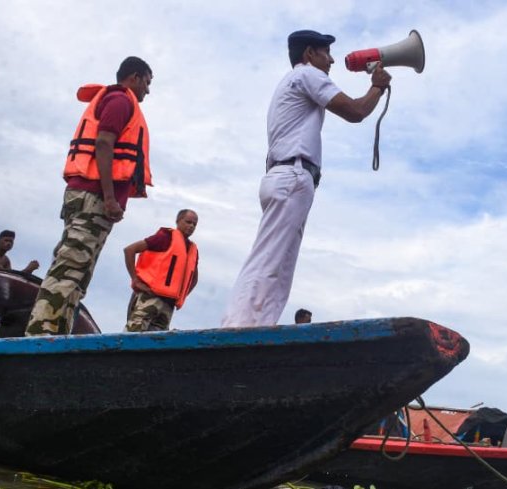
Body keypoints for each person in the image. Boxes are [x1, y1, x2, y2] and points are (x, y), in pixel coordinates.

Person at [221, 30, 392, 327]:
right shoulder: (307, 75)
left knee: (281, 264)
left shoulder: (291, 82)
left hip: (289, 176)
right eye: (326, 53)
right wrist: (376, 88)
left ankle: (259, 328)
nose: (332, 60)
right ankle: (237, 328)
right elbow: (355, 112)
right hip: (292, 174)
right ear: (309, 54)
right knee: (270, 259)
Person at [25, 56, 154, 336]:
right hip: (93, 196)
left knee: (78, 273)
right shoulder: (121, 101)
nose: (147, 89)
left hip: (92, 198)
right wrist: (109, 197)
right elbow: (104, 142)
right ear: (134, 77)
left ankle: (57, 333)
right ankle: (39, 333)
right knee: (70, 267)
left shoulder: (119, 100)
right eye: (147, 82)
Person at [123, 209, 200, 332]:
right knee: (133, 333)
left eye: (194, 224)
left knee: (157, 340)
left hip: (169, 304)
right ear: (178, 221)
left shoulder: (192, 250)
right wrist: (135, 280)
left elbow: (194, 278)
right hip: (150, 296)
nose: (191, 226)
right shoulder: (165, 237)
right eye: (188, 222)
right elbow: (129, 250)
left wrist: (181, 296)